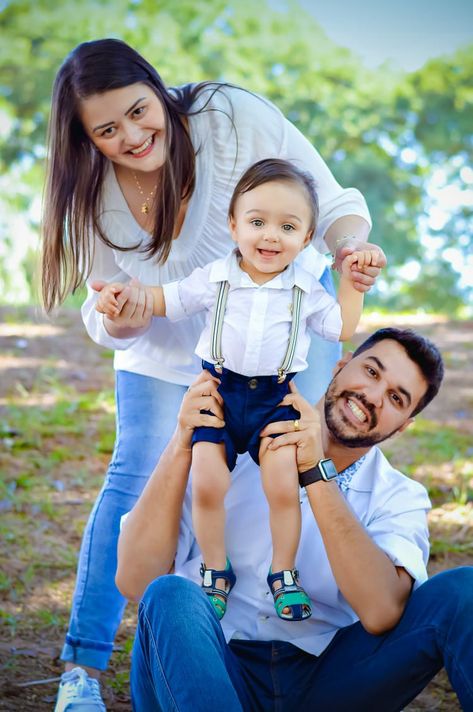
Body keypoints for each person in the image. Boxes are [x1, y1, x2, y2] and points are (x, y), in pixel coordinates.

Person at [42, 38, 386, 709]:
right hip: (169, 342)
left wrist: (348, 252)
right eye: (107, 130)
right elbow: (110, 315)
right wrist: (118, 313)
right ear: (86, 139)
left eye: (140, 112)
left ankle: (265, 631)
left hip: (274, 327)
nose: (133, 136)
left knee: (282, 463)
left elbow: (326, 196)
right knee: (135, 473)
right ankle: (81, 670)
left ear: (158, 88)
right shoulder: (89, 195)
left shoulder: (229, 118)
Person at [116, 328, 473, 711]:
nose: (372, 396)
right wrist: (181, 441)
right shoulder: (224, 446)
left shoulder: (400, 496)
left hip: (327, 681)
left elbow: (381, 612)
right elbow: (135, 581)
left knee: (462, 590)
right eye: (371, 372)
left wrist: (316, 473)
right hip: (209, 665)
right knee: (171, 594)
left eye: (396, 398)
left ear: (402, 426)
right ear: (341, 365)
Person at [97, 158, 379, 623]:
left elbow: (342, 326)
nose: (270, 236)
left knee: (282, 485)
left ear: (307, 239)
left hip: (274, 399)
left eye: (287, 227)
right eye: (257, 222)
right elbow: (167, 300)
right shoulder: (216, 277)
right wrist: (128, 297)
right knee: (208, 482)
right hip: (220, 395)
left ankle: (282, 574)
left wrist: (353, 284)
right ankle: (215, 569)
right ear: (233, 225)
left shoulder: (305, 289)